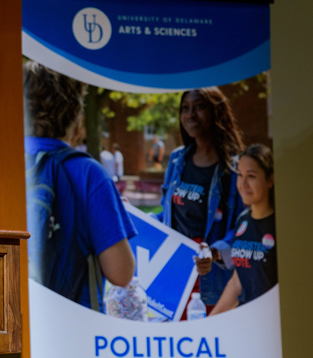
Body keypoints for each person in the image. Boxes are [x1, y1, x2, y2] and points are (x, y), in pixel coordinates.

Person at [23, 61, 136, 310]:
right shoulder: (89, 173)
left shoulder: (2, 163)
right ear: (75, 111)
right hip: (72, 324)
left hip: (13, 319)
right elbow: (121, 273)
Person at [157, 87, 244, 311]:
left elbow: (244, 228)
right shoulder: (177, 160)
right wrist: (134, 216)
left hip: (212, 277)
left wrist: (214, 253)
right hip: (175, 272)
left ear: (217, 113)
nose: (190, 115)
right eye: (185, 109)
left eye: (199, 107)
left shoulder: (234, 168)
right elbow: (169, 216)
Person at [210, 144, 276, 315]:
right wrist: (209, 323)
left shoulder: (280, 224)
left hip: (273, 324)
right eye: (240, 175)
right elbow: (237, 282)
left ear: (270, 180)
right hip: (246, 322)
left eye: (251, 176)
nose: (243, 184)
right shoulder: (243, 221)